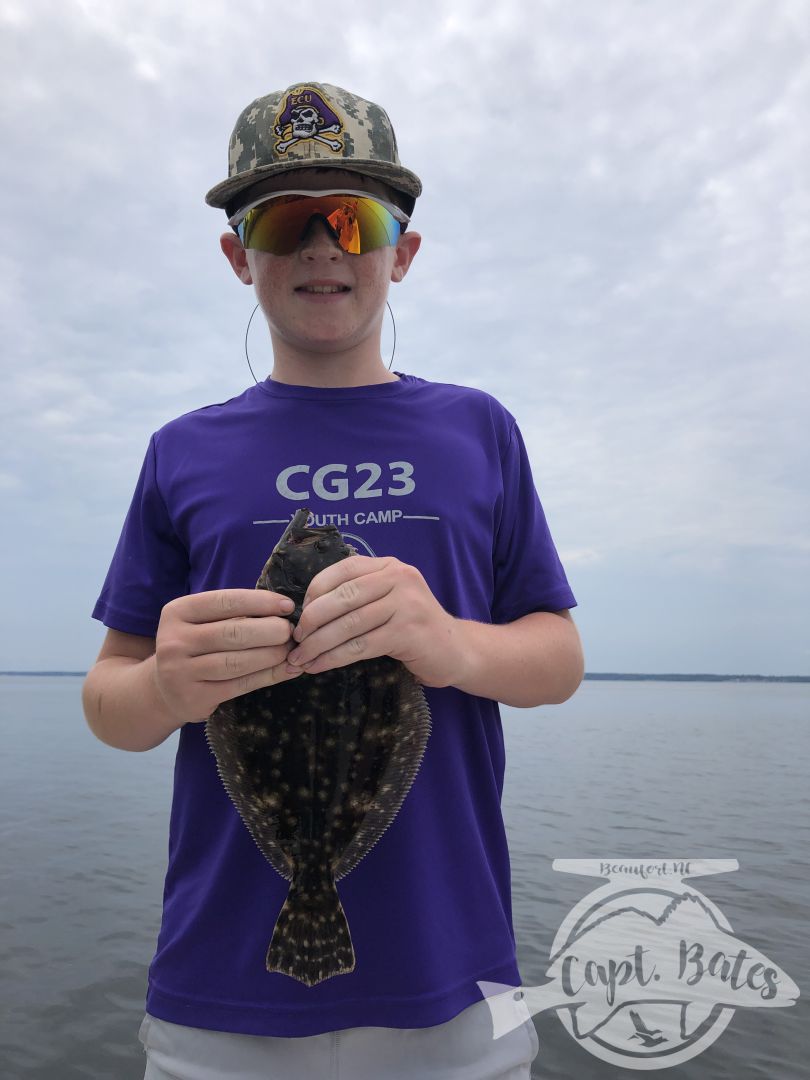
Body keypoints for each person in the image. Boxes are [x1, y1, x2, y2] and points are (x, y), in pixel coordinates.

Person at [82, 81, 584, 1080]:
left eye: (353, 219)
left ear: (402, 250)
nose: (324, 245)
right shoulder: (181, 451)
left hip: (453, 989)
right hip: (221, 999)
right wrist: (166, 688)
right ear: (240, 255)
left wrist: (448, 641)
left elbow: (558, 659)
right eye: (286, 218)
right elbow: (112, 701)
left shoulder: (478, 430)